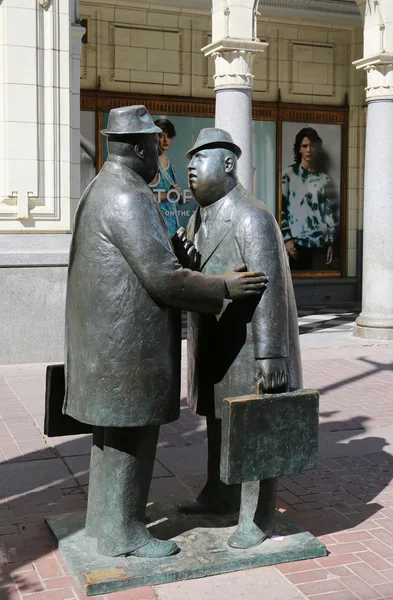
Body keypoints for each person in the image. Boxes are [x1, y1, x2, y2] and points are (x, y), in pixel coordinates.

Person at [63, 107, 266, 559]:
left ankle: (105, 523)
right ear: (139, 147)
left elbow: (152, 267)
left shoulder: (104, 187)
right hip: (126, 348)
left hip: (107, 347)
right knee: (132, 437)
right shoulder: (129, 195)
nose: (163, 152)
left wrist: (177, 258)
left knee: (113, 439)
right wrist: (223, 286)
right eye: (157, 144)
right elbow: (163, 279)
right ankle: (125, 533)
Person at [179, 128, 303, 549]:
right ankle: (219, 491)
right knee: (218, 422)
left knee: (254, 429)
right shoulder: (199, 217)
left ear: (228, 163)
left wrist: (271, 355)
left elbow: (268, 289)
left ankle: (257, 515)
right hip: (215, 343)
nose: (190, 166)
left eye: (200, 159)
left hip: (250, 347)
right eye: (189, 160)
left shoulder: (251, 215)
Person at [281, 127, 337, 270]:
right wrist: (287, 239)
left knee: (319, 288)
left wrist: (330, 242)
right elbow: (281, 209)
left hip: (320, 244)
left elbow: (329, 213)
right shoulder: (288, 175)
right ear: (299, 149)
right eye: (304, 146)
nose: (308, 150)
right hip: (296, 245)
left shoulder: (324, 179)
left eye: (312, 146)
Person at [149, 118, 183, 237]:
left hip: (174, 225)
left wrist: (181, 196)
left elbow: (177, 197)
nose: (165, 140)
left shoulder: (170, 165)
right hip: (156, 224)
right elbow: (143, 197)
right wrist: (168, 194)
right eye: (161, 136)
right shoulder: (150, 164)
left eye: (169, 136)